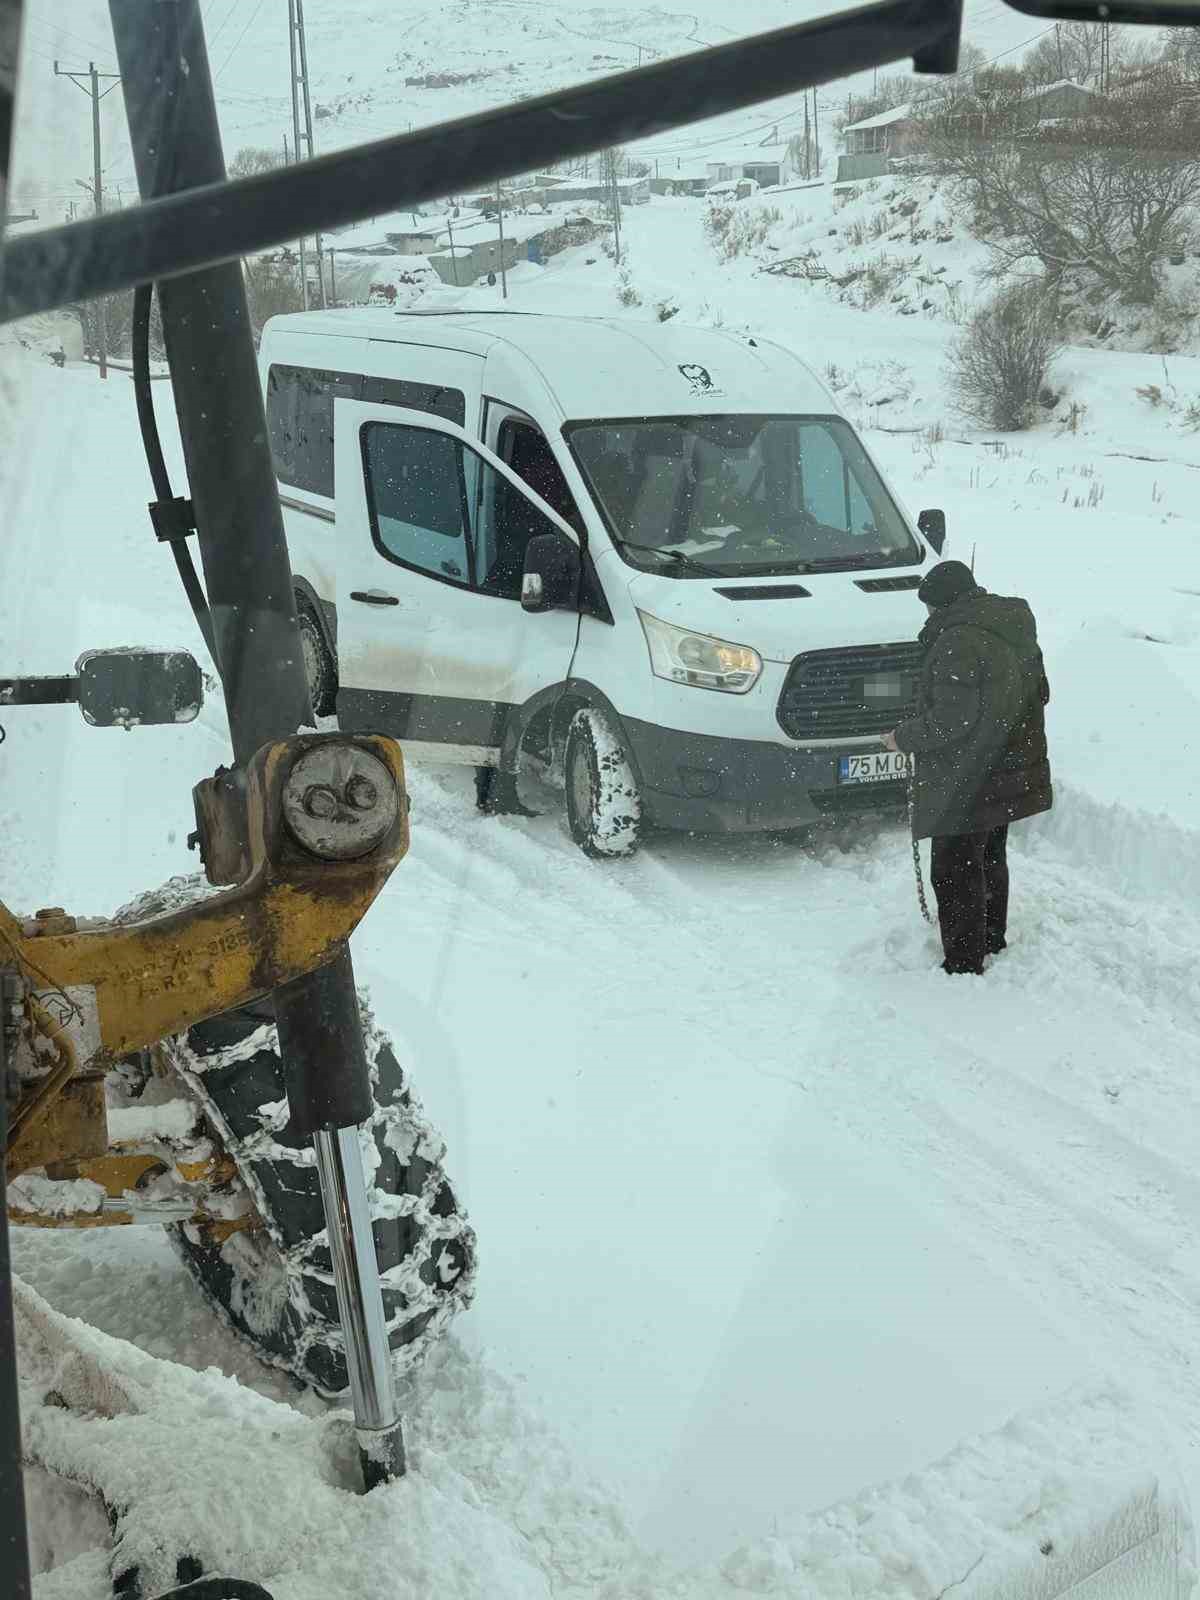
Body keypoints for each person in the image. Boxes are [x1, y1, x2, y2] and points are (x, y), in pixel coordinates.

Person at [883, 560, 1052, 976]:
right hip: (1008, 763)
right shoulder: (1013, 625)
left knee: (954, 867)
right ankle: (991, 936)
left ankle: (963, 961)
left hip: (967, 774)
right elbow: (1040, 692)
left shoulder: (957, 641)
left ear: (940, 603)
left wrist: (903, 737)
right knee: (989, 855)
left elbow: (951, 719)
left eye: (928, 606)